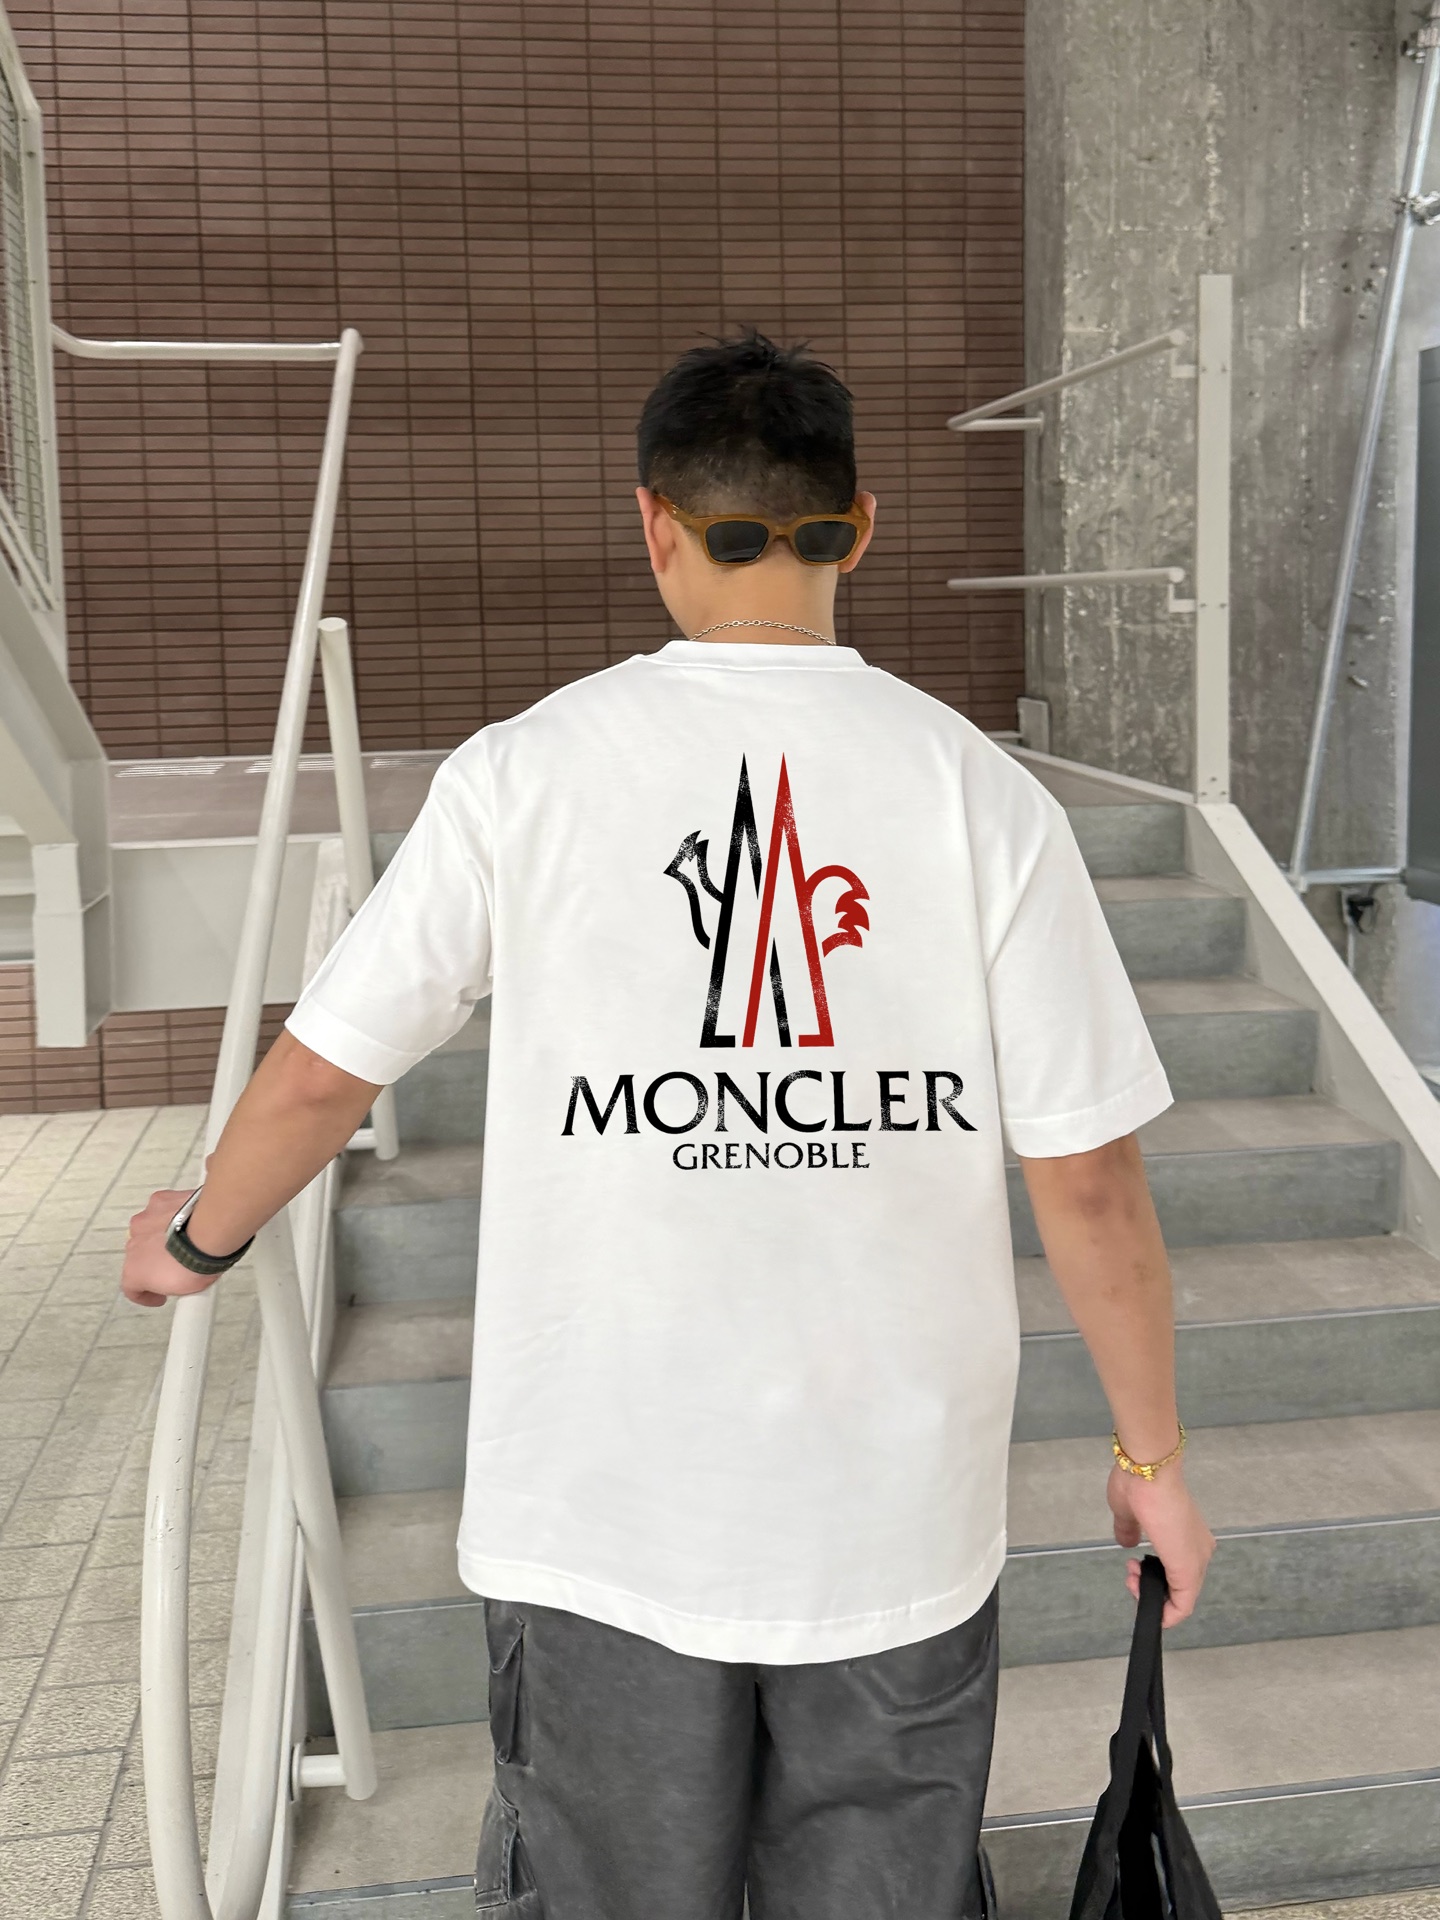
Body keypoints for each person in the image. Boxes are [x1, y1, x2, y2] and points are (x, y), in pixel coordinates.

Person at [122, 330, 1214, 1920]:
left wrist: (200, 1238)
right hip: (894, 1523)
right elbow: (1091, 1178)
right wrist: (1150, 1458)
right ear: (859, 524)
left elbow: (319, 1076)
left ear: (655, 524)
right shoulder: (983, 795)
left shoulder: (523, 775)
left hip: (603, 1514)